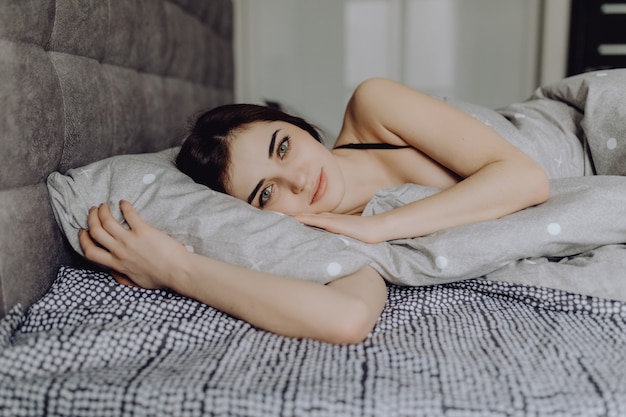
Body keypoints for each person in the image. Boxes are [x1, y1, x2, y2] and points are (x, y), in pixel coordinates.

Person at [79, 78, 550, 344]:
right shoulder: (325, 240)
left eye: (283, 147)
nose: (299, 181)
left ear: (297, 126)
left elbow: (526, 178)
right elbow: (345, 319)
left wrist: (380, 226)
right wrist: (177, 269)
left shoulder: (374, 107)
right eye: (266, 194)